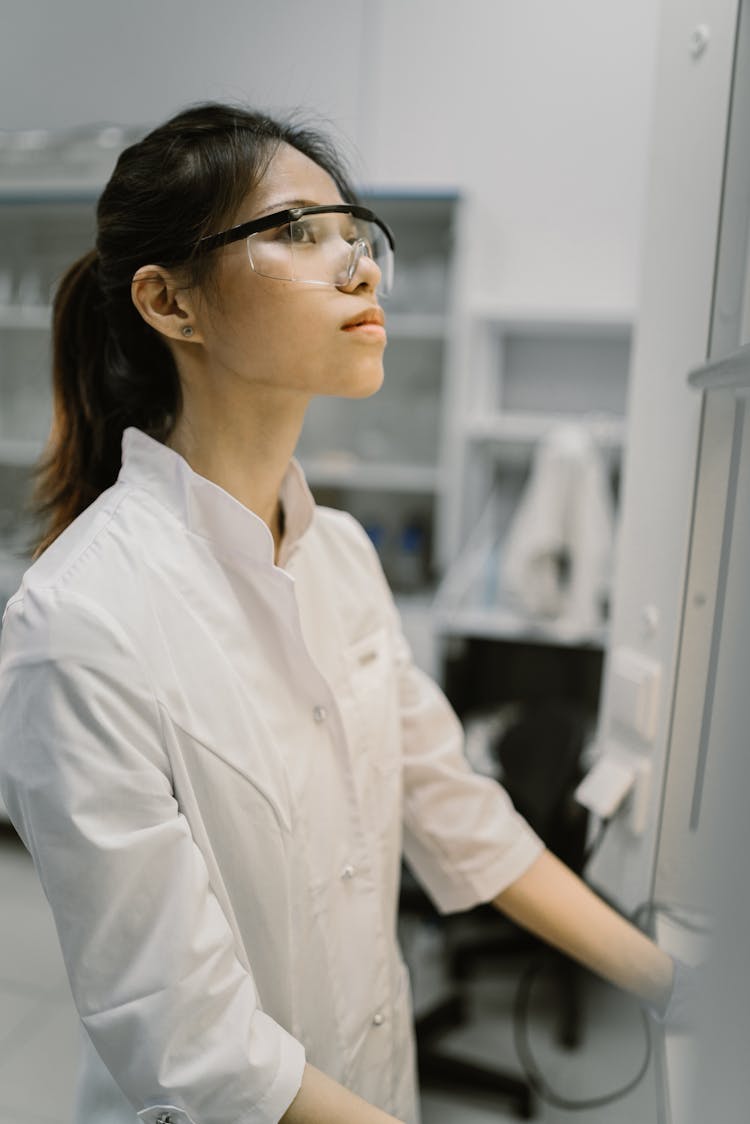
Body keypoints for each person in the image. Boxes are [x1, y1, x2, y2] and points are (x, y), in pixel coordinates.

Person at [0, 103, 676, 1124]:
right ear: (169, 302)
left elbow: (454, 813)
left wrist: (672, 980)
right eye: (293, 232)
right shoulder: (79, 622)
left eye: (355, 235)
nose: (357, 266)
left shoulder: (343, 555)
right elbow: (195, 1046)